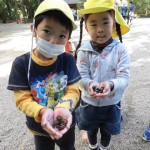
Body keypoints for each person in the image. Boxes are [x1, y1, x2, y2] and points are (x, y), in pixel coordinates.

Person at [7, 0, 81, 150]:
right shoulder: (21, 64)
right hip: (39, 127)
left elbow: (74, 90)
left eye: (62, 35)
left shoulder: (67, 59)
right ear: (33, 29)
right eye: (47, 31)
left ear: (68, 38)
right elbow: (22, 99)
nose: (54, 41)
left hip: (66, 121)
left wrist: (64, 107)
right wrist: (41, 111)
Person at [75, 0, 130, 149]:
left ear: (113, 23)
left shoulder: (121, 50)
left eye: (105, 22)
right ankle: (93, 146)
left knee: (107, 132)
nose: (100, 29)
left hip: (112, 104)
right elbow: (80, 77)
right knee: (91, 130)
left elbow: (124, 77)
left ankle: (104, 147)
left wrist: (111, 85)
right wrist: (90, 85)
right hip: (89, 104)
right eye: (93, 24)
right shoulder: (83, 51)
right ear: (86, 26)